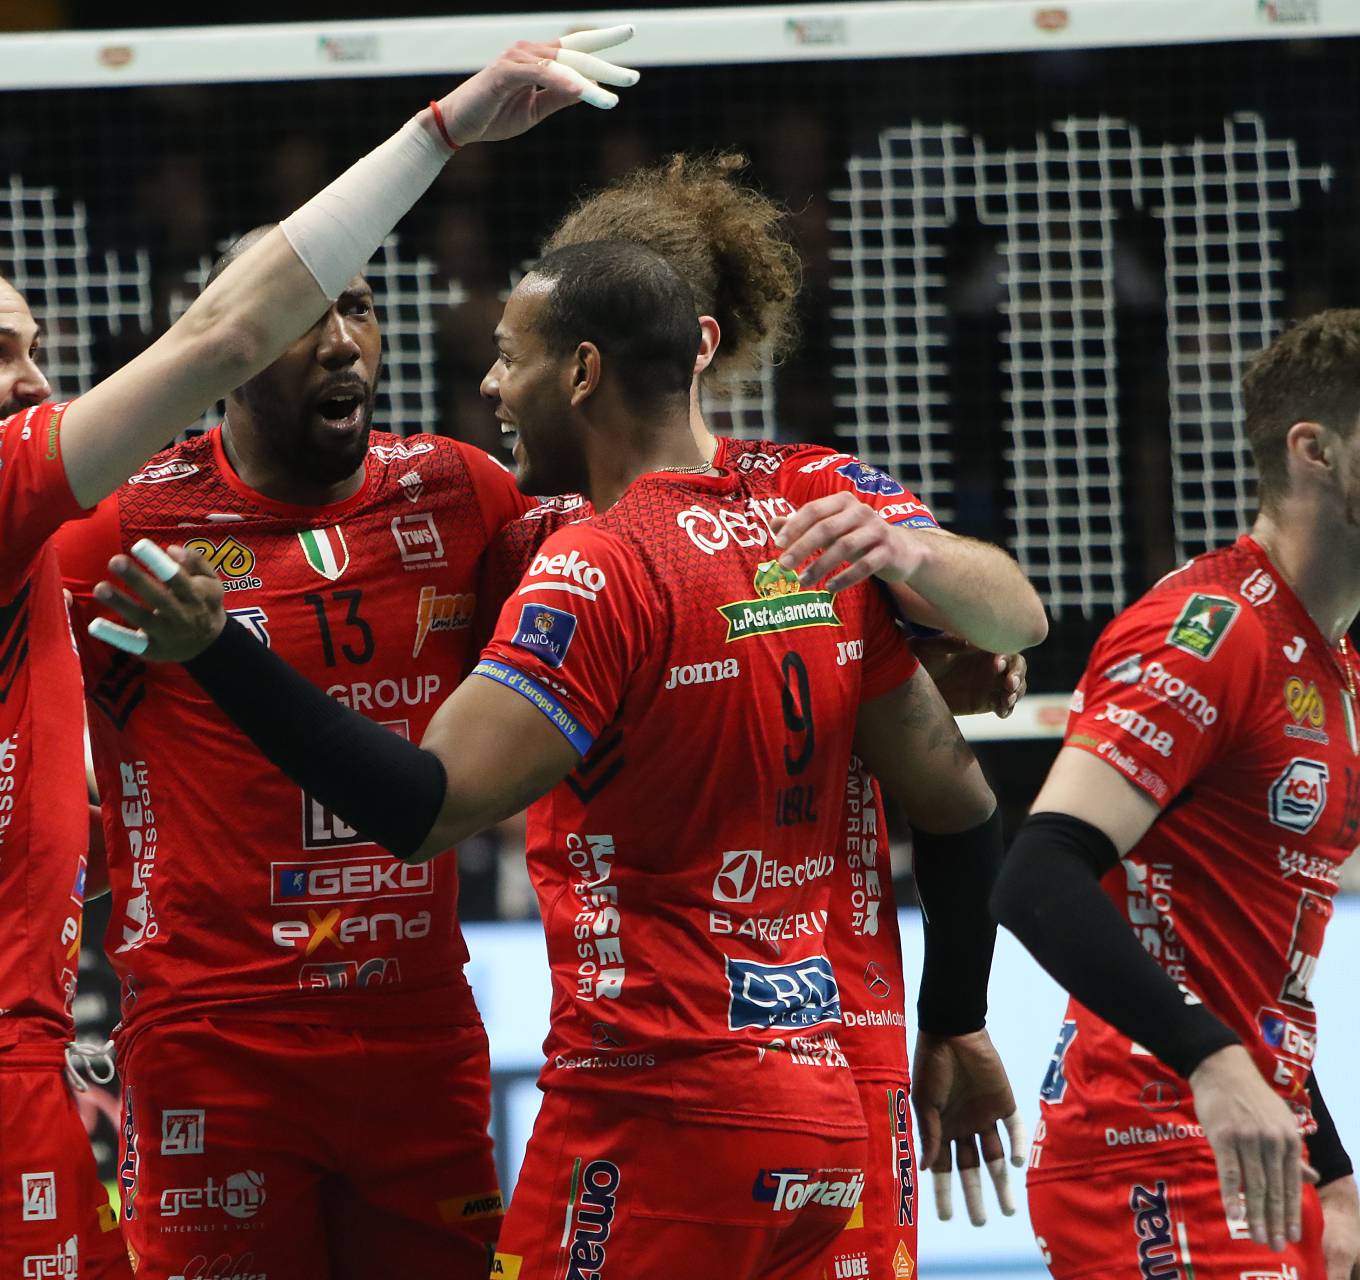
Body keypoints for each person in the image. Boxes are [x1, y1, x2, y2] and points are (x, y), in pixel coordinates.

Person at [0, 33, 640, 1280]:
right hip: (147, 1051)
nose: (35, 384)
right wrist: (445, 127)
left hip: (393, 1028)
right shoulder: (44, 524)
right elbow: (215, 337)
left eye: (358, 307)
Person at [89, 239, 1012, 1280]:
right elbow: (982, 743)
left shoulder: (573, 555)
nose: (488, 385)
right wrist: (959, 1010)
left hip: (653, 1095)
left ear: (581, 371)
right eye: (306, 312)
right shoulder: (807, 530)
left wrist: (218, 649)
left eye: (506, 355)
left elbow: (425, 804)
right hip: (820, 1096)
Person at [539, 152, 1051, 1275]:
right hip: (773, 1067)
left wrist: (911, 560)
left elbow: (1017, 618)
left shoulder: (810, 494)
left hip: (732, 1060)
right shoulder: (559, 522)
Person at [52, 226, 534, 1278]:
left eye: (356, 307)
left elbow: (610, 636)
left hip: (417, 1029)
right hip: (214, 1035)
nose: (341, 342)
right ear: (223, 351)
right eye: (300, 316)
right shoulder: (125, 527)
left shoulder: (463, 493)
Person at [994, 309, 1360, 1280]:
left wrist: (1333, 1173)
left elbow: (1248, 967)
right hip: (1150, 1149)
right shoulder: (1212, 630)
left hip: (1255, 1148)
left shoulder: (1334, 666)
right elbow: (1036, 874)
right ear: (1316, 450)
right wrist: (1211, 1057)